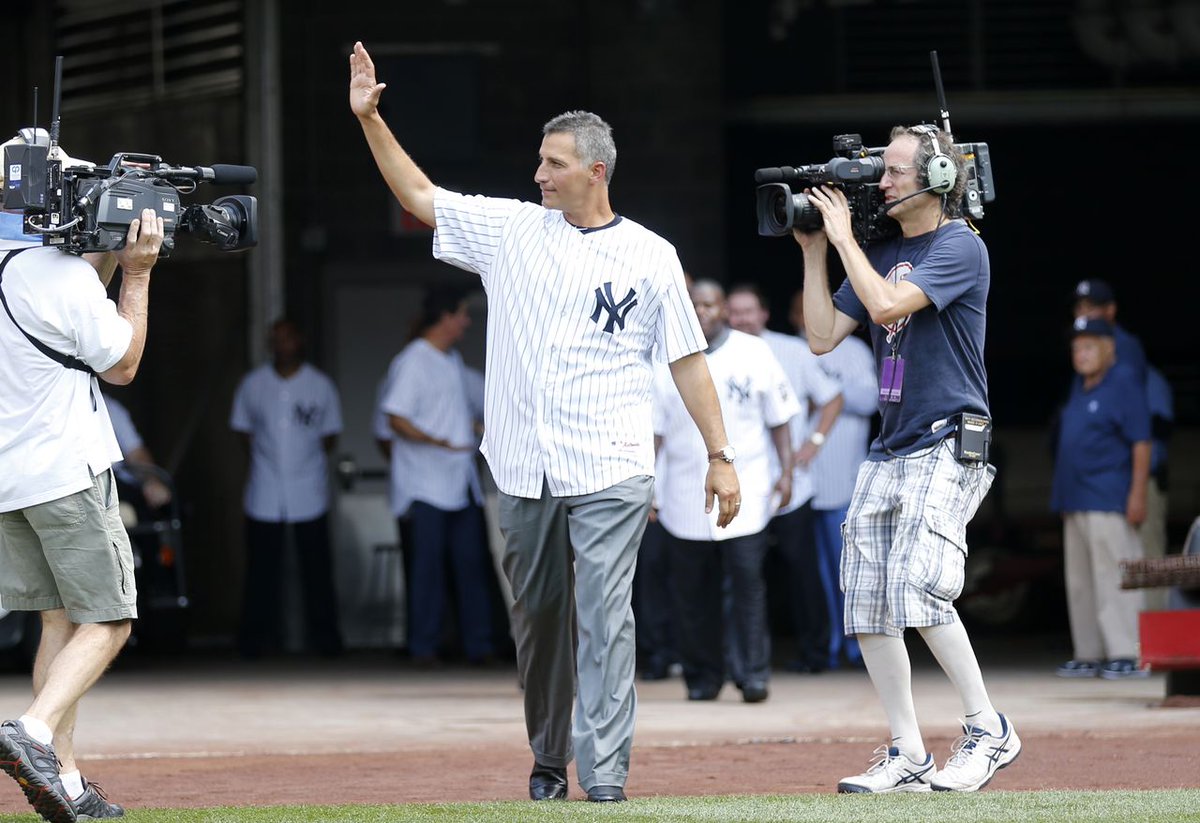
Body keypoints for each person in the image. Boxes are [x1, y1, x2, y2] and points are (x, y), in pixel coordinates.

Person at [350, 42, 740, 804]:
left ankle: (603, 777)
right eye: (538, 161)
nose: (538, 175)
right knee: (541, 621)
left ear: (596, 170)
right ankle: (548, 753)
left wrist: (719, 454)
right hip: (523, 465)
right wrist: (370, 119)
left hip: (613, 463)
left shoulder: (652, 255)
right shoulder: (511, 231)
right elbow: (422, 194)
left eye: (553, 163)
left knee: (605, 613)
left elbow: (688, 361)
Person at [794, 124, 1019, 793]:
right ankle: (908, 750)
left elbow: (890, 302)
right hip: (890, 444)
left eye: (891, 172)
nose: (878, 183)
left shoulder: (959, 246)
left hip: (948, 436)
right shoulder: (882, 247)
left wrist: (842, 240)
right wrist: (814, 251)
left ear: (940, 179)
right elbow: (821, 335)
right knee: (866, 600)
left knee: (919, 586)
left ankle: (988, 728)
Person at [0, 128, 164, 822]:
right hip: (65, 468)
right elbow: (121, 362)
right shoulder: (58, 275)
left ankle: (64, 783)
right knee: (111, 618)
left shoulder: (16, 260)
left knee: (59, 621)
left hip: (9, 477)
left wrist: (96, 258)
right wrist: (138, 270)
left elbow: (62, 314)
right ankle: (29, 731)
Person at [656, 280, 800, 703]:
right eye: (694, 304)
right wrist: (649, 484)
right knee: (691, 594)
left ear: (723, 310)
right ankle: (702, 678)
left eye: (709, 304)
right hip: (685, 493)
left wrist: (787, 473)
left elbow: (781, 419)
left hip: (748, 489)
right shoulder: (665, 353)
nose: (701, 311)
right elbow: (654, 430)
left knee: (747, 587)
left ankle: (752, 674)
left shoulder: (754, 351)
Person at [726, 283, 843, 674]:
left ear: (764, 314)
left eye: (748, 311)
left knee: (802, 573)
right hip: (738, 486)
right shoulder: (714, 353)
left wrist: (814, 441)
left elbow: (832, 397)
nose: (741, 319)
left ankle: (815, 654)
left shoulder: (793, 350)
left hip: (792, 485)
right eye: (735, 312)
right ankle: (741, 662)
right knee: (741, 577)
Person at [379, 285, 495, 666]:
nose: (465, 322)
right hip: (424, 483)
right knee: (427, 569)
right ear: (445, 317)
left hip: (459, 482)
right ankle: (423, 647)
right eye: (461, 314)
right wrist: (435, 441)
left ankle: (479, 645)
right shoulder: (414, 360)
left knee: (471, 564)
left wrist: (471, 429)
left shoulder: (452, 361)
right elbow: (395, 417)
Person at [229, 318, 345, 659]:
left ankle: (327, 643)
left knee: (317, 570)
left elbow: (330, 436)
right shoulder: (253, 384)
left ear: (300, 341)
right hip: (264, 489)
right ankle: (256, 643)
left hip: (308, 488)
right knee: (262, 572)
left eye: (288, 338)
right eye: (276, 340)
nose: (282, 345)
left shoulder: (320, 385)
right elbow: (242, 430)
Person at [1050, 317, 1151, 679]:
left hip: (1108, 497)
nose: (1082, 354)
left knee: (1115, 575)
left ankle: (1126, 651)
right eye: (1077, 348)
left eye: (1090, 346)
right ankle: (1089, 652)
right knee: (1080, 581)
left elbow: (1141, 441)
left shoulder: (1123, 381)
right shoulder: (1080, 385)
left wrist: (1138, 493)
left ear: (1109, 348)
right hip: (1074, 498)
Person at [789, 287, 879, 669]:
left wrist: (825, 392)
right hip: (799, 481)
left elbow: (872, 400)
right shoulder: (789, 351)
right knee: (814, 577)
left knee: (850, 570)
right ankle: (825, 648)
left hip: (845, 480)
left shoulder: (855, 351)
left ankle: (858, 649)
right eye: (803, 312)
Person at [102, 391, 173, 515]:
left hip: (116, 485)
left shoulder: (109, 407)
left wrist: (151, 481)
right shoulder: (59, 408)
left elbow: (135, 452)